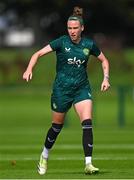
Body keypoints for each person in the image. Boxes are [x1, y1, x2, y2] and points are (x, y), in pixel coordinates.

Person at [23, 6, 110, 175]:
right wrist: (29, 69)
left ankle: (88, 164)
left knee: (87, 123)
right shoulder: (61, 42)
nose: (72, 31)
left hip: (81, 88)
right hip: (61, 90)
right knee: (56, 127)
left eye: (75, 28)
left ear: (82, 28)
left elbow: (104, 60)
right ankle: (44, 155)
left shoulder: (89, 44)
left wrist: (106, 78)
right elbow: (38, 54)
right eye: (69, 28)